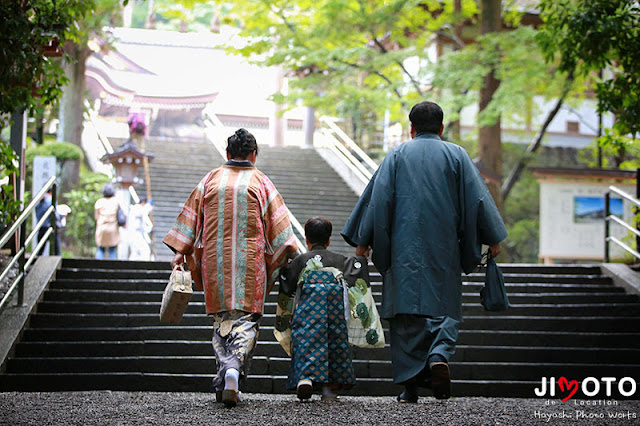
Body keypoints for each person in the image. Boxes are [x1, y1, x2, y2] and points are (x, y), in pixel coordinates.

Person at [341, 101, 507, 402]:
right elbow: (478, 199)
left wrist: (362, 246)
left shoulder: (396, 156)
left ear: (411, 128)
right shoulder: (457, 156)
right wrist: (493, 238)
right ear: (441, 128)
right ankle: (439, 355)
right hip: (444, 250)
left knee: (405, 319)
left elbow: (377, 201)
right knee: (443, 309)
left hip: (403, 253)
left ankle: (410, 387)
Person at [163, 128, 299, 407]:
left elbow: (190, 219)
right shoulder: (261, 182)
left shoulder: (210, 179)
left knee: (222, 320)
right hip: (250, 262)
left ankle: (225, 374)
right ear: (253, 155)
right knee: (246, 320)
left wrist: (180, 252)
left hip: (215, 261)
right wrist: (297, 255)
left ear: (227, 154)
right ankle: (234, 369)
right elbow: (282, 230)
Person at [278, 217, 368, 402]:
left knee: (305, 338)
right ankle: (329, 390)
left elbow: (287, 284)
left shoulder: (300, 260)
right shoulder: (339, 259)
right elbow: (355, 273)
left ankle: (305, 378)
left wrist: (283, 265)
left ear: (306, 239)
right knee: (334, 342)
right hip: (335, 309)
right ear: (328, 240)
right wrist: (360, 258)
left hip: (308, 308)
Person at [94, 183, 122, 259]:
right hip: (113, 228)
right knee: (112, 250)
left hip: (102, 228)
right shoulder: (115, 202)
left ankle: (98, 267)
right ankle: (112, 268)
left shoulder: (99, 202)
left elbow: (96, 217)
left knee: (100, 249)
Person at [35, 188, 62, 256]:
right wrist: (59, 221)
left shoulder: (41, 200)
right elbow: (55, 213)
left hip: (42, 227)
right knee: (56, 250)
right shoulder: (51, 200)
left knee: (40, 250)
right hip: (50, 226)